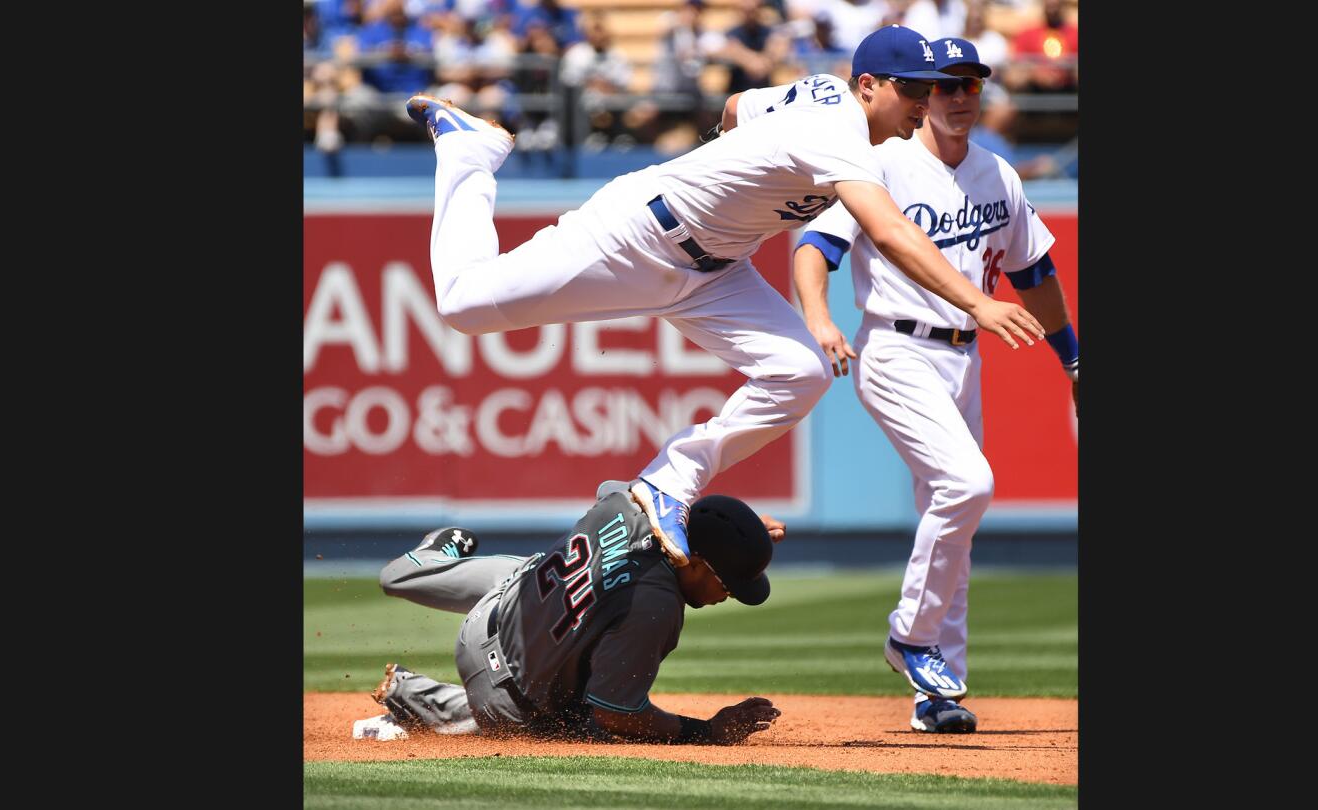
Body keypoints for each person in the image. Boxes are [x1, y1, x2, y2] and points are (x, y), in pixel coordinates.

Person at [401, 24, 1045, 569]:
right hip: (640, 234)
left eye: (929, 89)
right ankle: (468, 152)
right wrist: (979, 303)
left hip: (716, 271)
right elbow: (890, 230)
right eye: (910, 88)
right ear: (868, 86)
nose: (921, 101)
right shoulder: (838, 128)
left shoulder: (823, 99)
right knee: (462, 304)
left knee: (802, 370)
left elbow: (738, 106)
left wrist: (727, 161)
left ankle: (667, 484)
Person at [790, 36, 1077, 734]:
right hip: (894, 349)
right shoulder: (880, 163)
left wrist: (1073, 360)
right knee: (968, 486)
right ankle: (909, 636)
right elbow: (814, 247)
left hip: (964, 361)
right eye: (945, 85)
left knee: (954, 523)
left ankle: (936, 694)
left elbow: (1034, 276)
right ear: (922, 96)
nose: (957, 97)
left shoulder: (996, 175)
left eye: (970, 85)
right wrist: (821, 319)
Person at [353, 482, 787, 744]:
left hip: (505, 596)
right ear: (694, 561)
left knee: (397, 577)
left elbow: (613, 489)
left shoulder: (631, 502)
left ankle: (425, 560)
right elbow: (617, 713)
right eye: (727, 583)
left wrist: (742, 536)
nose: (727, 595)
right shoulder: (657, 608)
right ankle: (419, 697)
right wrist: (705, 732)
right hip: (502, 688)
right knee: (579, 725)